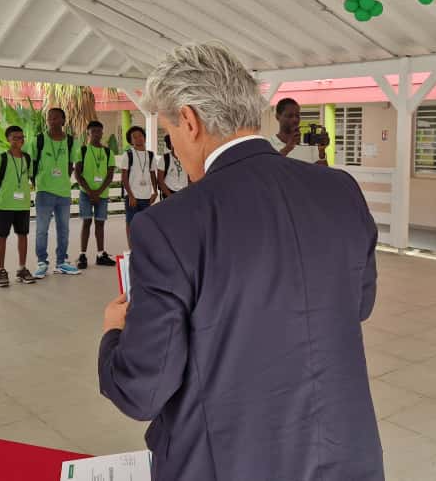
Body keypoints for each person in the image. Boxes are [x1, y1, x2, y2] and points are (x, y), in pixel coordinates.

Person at [98, 43, 383, 481]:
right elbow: (357, 304)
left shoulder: (169, 224)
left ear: (189, 120)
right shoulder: (340, 189)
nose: (175, 148)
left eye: (170, 133)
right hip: (343, 454)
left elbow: (143, 390)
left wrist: (114, 334)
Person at [32, 108, 82, 279]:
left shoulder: (70, 141)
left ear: (63, 120)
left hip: (63, 192)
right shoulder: (39, 140)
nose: (52, 121)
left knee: (64, 229)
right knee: (42, 229)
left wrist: (62, 179)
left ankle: (61, 262)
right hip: (44, 191)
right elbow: (32, 162)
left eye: (55, 118)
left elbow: (71, 164)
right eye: (49, 118)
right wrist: (36, 182)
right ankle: (42, 262)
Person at [0, 126, 35, 288]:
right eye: (15, 137)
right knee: (2, 236)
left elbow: (29, 178)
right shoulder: (2, 158)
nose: (19, 140)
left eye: (21, 137)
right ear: (8, 139)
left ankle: (22, 268)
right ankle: (1, 270)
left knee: (23, 235)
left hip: (22, 205)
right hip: (5, 205)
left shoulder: (27, 158)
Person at [74, 120, 116, 269]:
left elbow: (110, 175)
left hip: (102, 194)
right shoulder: (82, 151)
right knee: (86, 222)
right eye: (93, 132)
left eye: (99, 131)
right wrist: (91, 192)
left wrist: (98, 192)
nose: (97, 134)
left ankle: (100, 254)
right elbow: (77, 174)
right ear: (88, 133)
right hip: (86, 194)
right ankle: (82, 255)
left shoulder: (108, 152)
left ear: (102, 133)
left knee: (100, 223)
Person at [119, 126, 157, 250]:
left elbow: (153, 174)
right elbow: (124, 177)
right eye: (134, 137)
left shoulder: (150, 155)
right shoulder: (128, 155)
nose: (138, 138)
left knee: (145, 224)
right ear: (131, 141)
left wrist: (155, 191)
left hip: (146, 197)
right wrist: (130, 195)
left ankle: (143, 250)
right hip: (133, 197)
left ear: (144, 138)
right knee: (131, 223)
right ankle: (132, 250)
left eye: (140, 136)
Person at [269, 98, 328, 165]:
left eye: (297, 115)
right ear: (277, 117)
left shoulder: (308, 144)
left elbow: (323, 170)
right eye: (290, 116)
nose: (295, 119)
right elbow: (269, 167)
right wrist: (288, 147)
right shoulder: (269, 144)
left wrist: (321, 152)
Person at [156, 134, 188, 199]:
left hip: (184, 193)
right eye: (174, 143)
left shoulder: (186, 158)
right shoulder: (164, 159)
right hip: (169, 193)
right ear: (170, 145)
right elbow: (160, 181)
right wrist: (170, 196)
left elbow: (190, 178)